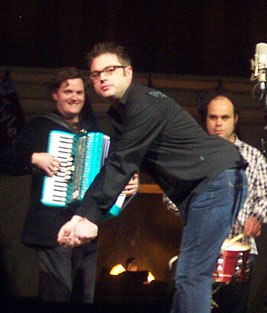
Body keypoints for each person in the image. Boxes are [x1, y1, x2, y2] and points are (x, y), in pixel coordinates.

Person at [56, 42, 248, 313]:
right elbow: (118, 164)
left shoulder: (143, 104)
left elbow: (122, 163)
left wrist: (90, 217)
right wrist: (80, 217)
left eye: (110, 70)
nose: (102, 78)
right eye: (96, 75)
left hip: (216, 181)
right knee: (187, 274)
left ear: (128, 73)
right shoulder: (124, 113)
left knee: (192, 275)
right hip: (207, 185)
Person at [0, 67, 138, 303]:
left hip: (85, 226)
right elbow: (6, 161)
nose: (74, 97)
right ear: (56, 94)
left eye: (79, 92)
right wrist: (33, 158)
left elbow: (111, 173)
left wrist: (129, 185)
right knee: (58, 294)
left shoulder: (95, 133)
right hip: (52, 227)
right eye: (68, 91)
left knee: (84, 296)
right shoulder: (40, 126)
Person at [199, 95, 267, 312]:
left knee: (234, 307)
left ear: (235, 119)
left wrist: (257, 217)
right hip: (201, 246)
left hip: (239, 249)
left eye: (224, 118)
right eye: (213, 117)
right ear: (206, 119)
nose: (218, 124)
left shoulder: (252, 156)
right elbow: (171, 198)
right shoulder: (195, 155)